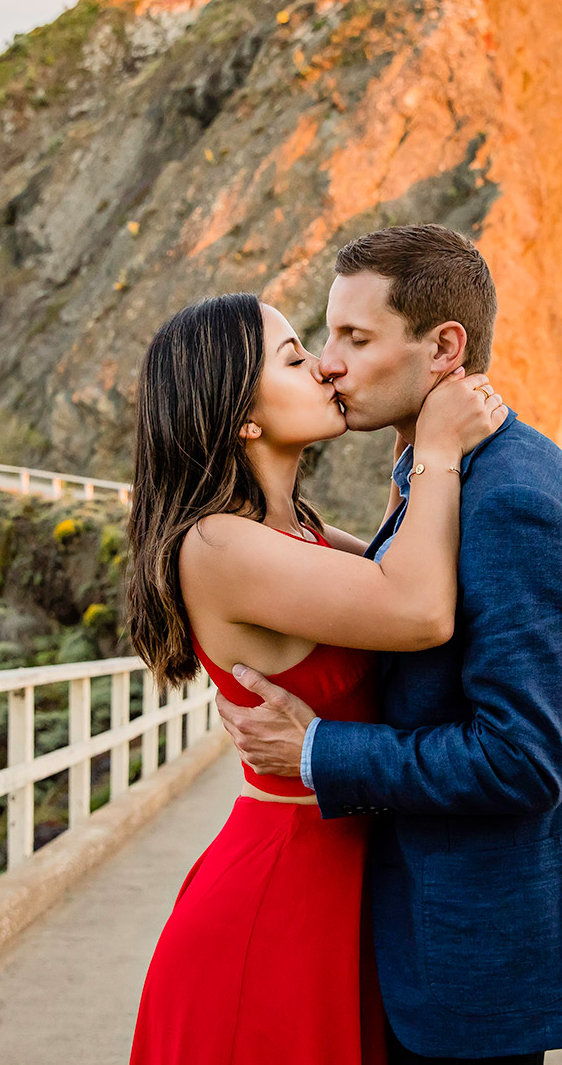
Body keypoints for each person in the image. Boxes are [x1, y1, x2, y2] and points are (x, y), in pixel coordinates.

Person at [217, 224, 562, 1064]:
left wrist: (317, 751)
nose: (330, 363)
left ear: (444, 347)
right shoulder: (445, 478)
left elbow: (524, 759)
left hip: (472, 960)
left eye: (357, 337)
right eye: (325, 336)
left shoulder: (515, 496)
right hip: (418, 933)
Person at [126, 290, 508, 1065]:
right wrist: (434, 449)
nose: (327, 369)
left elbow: (394, 569)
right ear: (244, 416)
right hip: (279, 895)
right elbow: (419, 611)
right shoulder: (218, 546)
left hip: (343, 879)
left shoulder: (296, 529)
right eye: (296, 358)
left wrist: (410, 460)